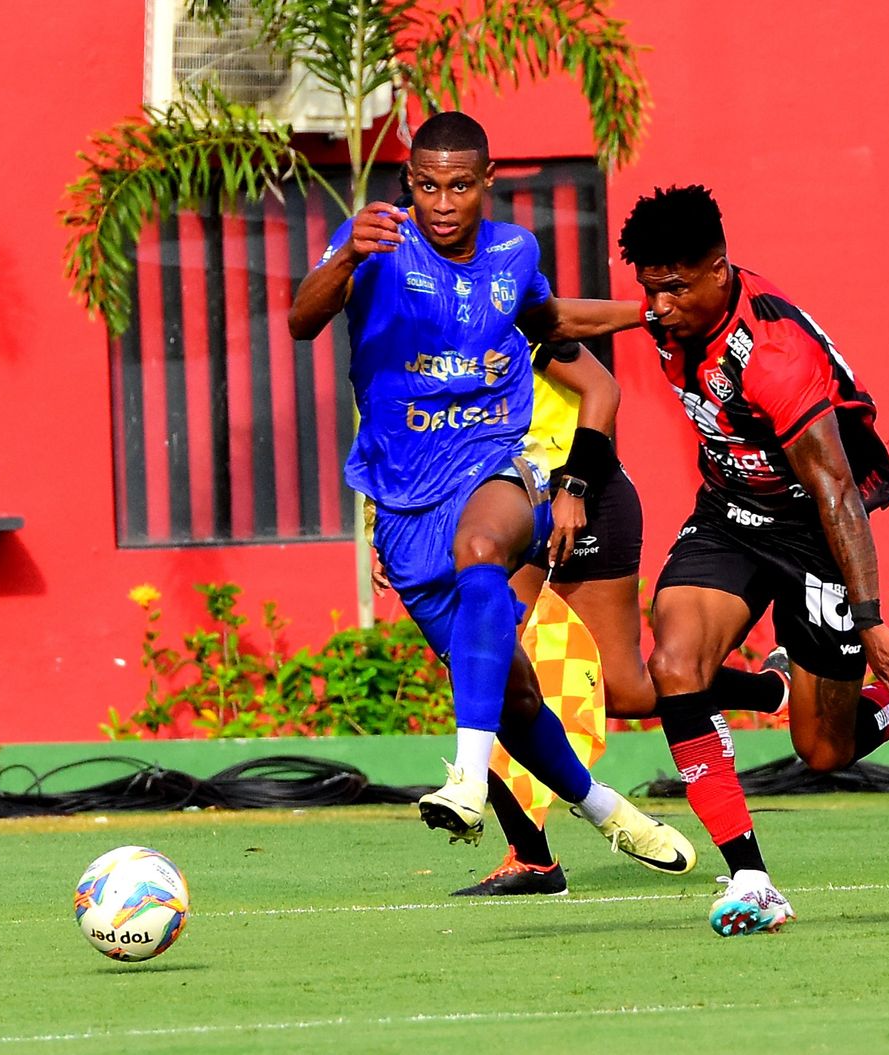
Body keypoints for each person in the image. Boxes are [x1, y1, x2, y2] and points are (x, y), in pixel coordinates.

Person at [287, 112, 695, 875]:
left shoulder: (514, 251)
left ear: (487, 182)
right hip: (405, 507)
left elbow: (549, 319)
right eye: (428, 186)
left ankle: (468, 778)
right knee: (515, 698)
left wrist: (649, 312)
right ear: (410, 184)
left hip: (494, 464)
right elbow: (302, 320)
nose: (443, 203)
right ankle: (607, 810)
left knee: (482, 546)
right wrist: (345, 257)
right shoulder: (376, 245)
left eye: (460, 186)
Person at [617, 184, 889, 935]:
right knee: (675, 665)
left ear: (720, 268)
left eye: (675, 288)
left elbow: (837, 489)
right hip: (730, 512)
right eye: (649, 289)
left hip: (816, 521)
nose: (659, 307)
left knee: (822, 750)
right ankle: (751, 877)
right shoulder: (669, 312)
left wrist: (871, 621)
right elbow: (580, 317)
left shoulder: (775, 356)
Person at [454, 338, 789, 896]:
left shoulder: (519, 317)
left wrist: (574, 486)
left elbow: (603, 389)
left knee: (627, 691)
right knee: (492, 673)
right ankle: (532, 860)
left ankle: (770, 690)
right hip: (501, 507)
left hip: (584, 499)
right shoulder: (418, 340)